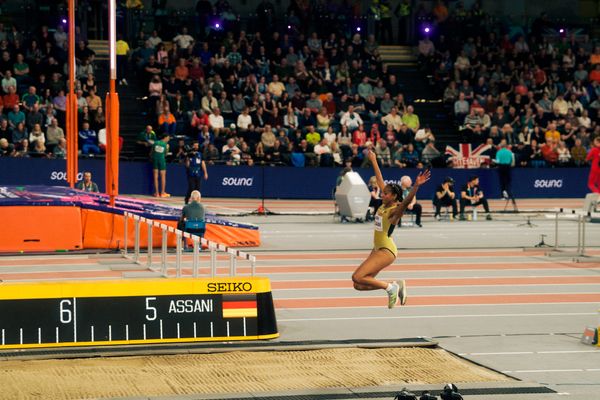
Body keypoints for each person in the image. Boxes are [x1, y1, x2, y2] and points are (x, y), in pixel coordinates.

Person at [352, 150, 430, 309]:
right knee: (358, 284)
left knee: (357, 276)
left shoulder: (395, 210)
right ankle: (394, 285)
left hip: (386, 251)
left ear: (394, 196)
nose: (383, 194)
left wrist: (415, 186)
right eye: (383, 192)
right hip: (377, 248)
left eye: (386, 193)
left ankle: (390, 288)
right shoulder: (384, 202)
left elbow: (406, 201)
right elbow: (380, 179)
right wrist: (373, 159)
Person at [494, 142, 517, 210]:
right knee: (508, 181)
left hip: (501, 167)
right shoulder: (509, 152)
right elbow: (512, 161)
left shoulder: (499, 152)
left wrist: (493, 161)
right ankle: (509, 194)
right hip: (508, 167)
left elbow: (497, 161)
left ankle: (503, 196)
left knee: (502, 181)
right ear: (506, 147)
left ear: (501, 146)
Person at [152, 133, 170, 198]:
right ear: (165, 138)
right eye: (168, 138)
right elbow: (165, 154)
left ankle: (156, 193)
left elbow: (152, 152)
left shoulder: (155, 143)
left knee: (155, 176)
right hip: (161, 160)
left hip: (155, 159)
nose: (168, 139)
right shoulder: (166, 145)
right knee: (163, 176)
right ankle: (162, 193)